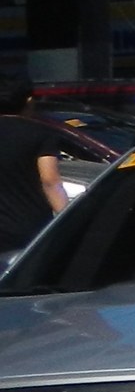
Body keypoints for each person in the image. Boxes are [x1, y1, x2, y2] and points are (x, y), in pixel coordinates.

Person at [0, 78, 70, 262]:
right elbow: (50, 181)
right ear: (29, 101)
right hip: (30, 229)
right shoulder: (40, 133)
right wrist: (68, 219)